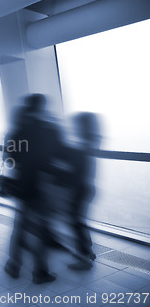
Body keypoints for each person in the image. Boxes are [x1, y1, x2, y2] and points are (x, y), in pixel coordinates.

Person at [3, 94, 64, 284]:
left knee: (20, 226)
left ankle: (13, 265)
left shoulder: (16, 131)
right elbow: (60, 155)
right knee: (41, 229)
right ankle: (40, 272)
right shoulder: (51, 129)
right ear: (43, 107)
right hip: (44, 185)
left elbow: (8, 159)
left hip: (22, 185)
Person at [65, 112, 101, 270]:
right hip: (87, 188)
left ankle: (84, 258)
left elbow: (77, 171)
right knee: (79, 222)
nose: (74, 127)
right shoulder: (91, 141)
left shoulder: (83, 145)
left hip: (80, 189)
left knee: (76, 222)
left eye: (77, 124)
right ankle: (87, 252)